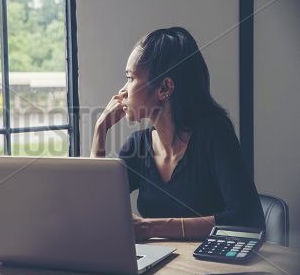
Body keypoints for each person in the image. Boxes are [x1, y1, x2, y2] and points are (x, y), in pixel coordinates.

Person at [91, 27, 265, 241]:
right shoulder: (138, 145)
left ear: (165, 88)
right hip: (161, 267)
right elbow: (97, 210)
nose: (122, 91)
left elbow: (248, 218)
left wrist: (152, 227)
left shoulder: (214, 134)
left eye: (130, 78)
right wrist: (100, 130)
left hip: (212, 266)